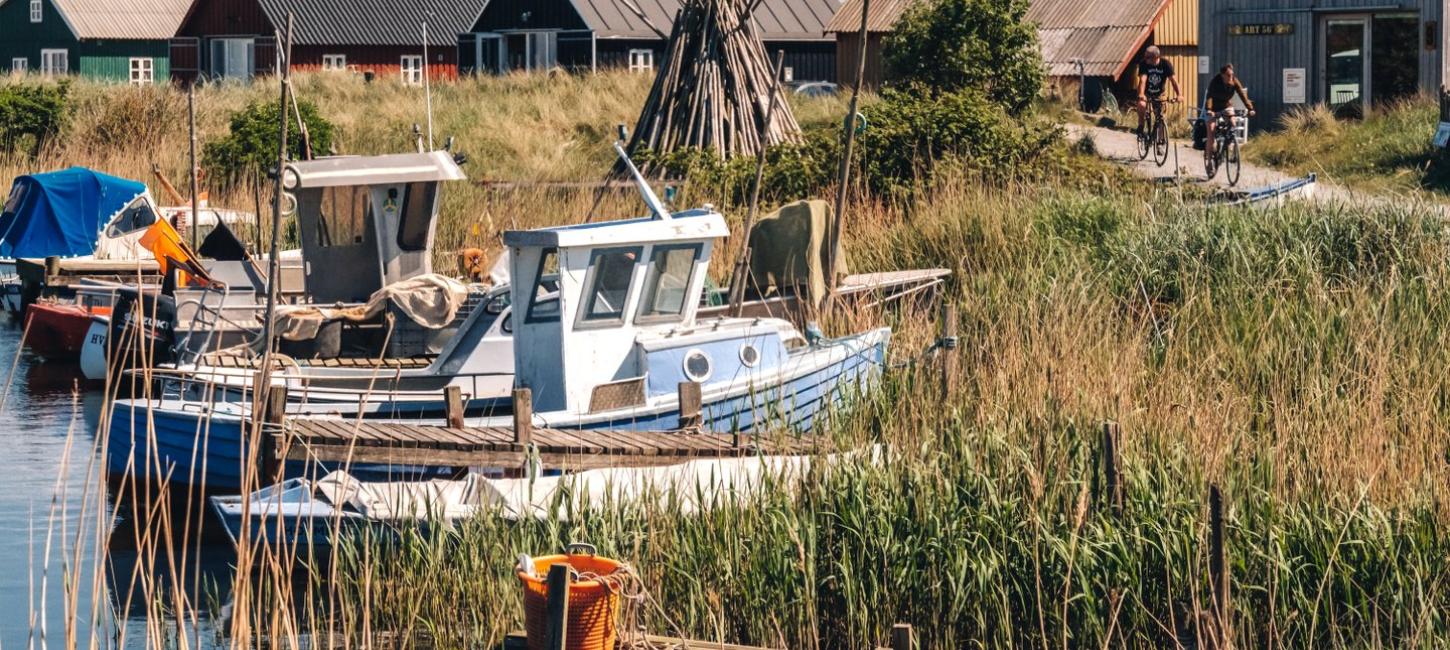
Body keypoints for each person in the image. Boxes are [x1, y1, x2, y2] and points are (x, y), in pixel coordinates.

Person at [1204, 64, 1255, 159]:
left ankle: (1227, 146)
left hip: (1226, 106)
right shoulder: (1215, 82)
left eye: (1232, 74)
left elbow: (1242, 94)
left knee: (1233, 124)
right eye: (1228, 75)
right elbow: (1209, 96)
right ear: (1222, 75)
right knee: (1211, 131)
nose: (1231, 77)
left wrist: (1250, 108)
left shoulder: (1234, 81)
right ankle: (1209, 159)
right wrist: (1209, 109)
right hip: (1213, 108)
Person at [1136, 46, 1180, 136]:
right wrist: (1141, 94)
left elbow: (1174, 81)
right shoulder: (1143, 64)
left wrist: (1179, 95)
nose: (1145, 59)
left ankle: (1160, 141)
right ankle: (1141, 124)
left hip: (1159, 93)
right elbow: (1142, 80)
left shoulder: (1165, 64)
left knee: (1160, 117)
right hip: (1146, 93)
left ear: (1156, 57)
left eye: (1148, 57)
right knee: (1141, 104)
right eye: (1145, 56)